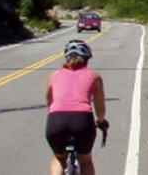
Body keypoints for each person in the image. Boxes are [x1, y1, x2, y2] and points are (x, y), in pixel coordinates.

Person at [45, 39, 108, 175]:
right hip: (82, 119)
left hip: (56, 119)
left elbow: (50, 103)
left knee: (59, 157)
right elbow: (100, 107)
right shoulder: (94, 76)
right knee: (85, 160)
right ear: (87, 59)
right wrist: (101, 121)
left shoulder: (53, 76)